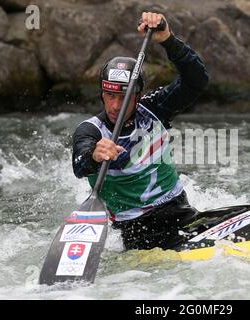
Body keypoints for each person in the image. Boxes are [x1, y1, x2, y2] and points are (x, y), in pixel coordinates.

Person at [72, 12, 209, 250]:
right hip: (136, 230)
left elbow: (196, 80)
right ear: (102, 94)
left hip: (180, 211)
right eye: (110, 96)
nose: (116, 106)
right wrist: (94, 155)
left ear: (137, 96)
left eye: (124, 97)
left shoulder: (156, 109)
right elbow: (79, 164)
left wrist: (168, 39)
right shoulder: (90, 130)